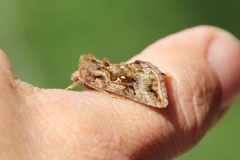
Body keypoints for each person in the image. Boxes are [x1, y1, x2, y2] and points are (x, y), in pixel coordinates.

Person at [0, 26, 239, 159]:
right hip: (125, 74)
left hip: (127, 79)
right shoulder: (88, 73)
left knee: (128, 81)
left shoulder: (94, 75)